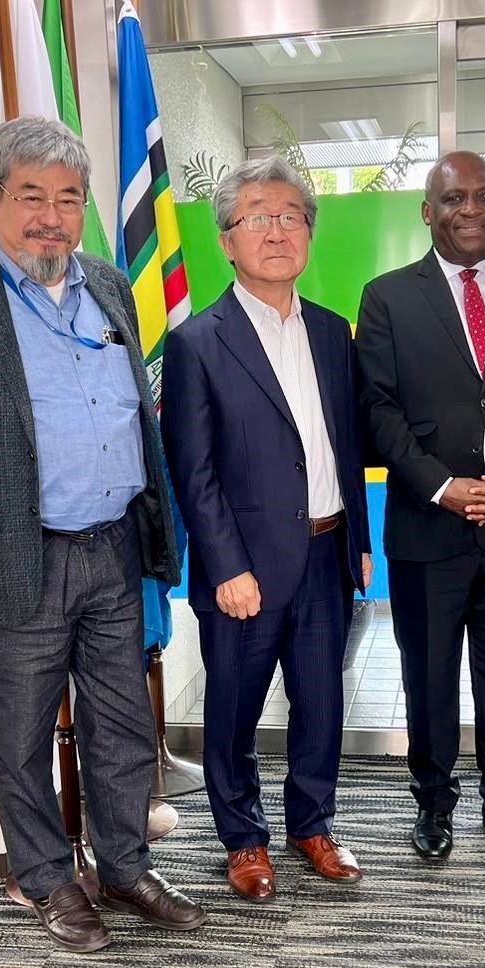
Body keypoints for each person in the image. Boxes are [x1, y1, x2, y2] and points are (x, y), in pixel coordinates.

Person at [0, 116, 204, 952]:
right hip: (14, 557)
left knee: (123, 724)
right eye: (31, 196)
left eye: (69, 199)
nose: (51, 217)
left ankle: (125, 867)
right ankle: (43, 878)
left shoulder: (108, 284)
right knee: (23, 735)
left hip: (114, 548)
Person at [161, 158, 373, 902]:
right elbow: (193, 470)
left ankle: (313, 824)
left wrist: (358, 542)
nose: (277, 231)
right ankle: (243, 839)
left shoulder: (332, 332)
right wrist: (225, 566)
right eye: (258, 217)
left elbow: (344, 447)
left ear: (308, 234)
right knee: (234, 708)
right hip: (244, 566)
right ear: (227, 240)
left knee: (322, 702)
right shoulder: (197, 342)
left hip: (327, 551)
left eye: (291, 217)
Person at [356, 151, 485, 863]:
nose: (470, 209)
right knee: (429, 676)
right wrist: (444, 487)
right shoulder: (387, 297)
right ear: (428, 211)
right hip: (427, 527)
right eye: (453, 199)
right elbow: (378, 411)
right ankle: (433, 804)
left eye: (484, 196)